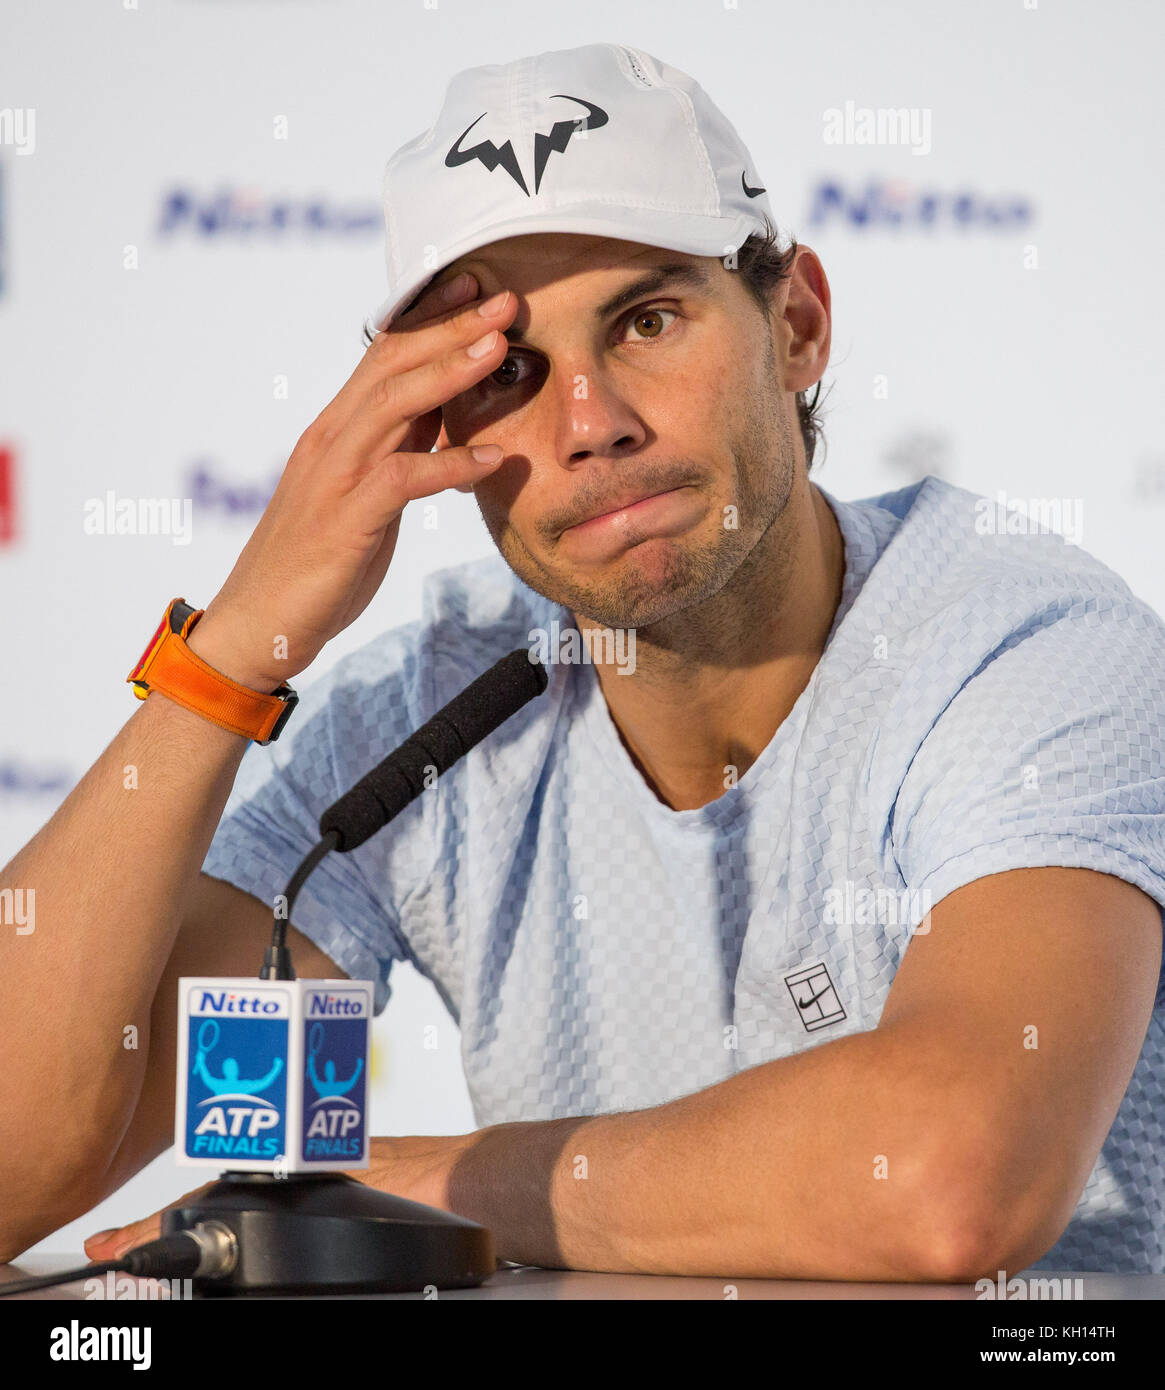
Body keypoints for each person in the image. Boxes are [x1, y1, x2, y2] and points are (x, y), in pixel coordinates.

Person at [2, 42, 1162, 1281]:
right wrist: (232, 645)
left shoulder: (1024, 643)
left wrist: (432, 1184)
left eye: (648, 319)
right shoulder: (422, 714)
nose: (590, 420)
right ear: (430, 427)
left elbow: (949, 1179)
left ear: (798, 326)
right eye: (503, 371)